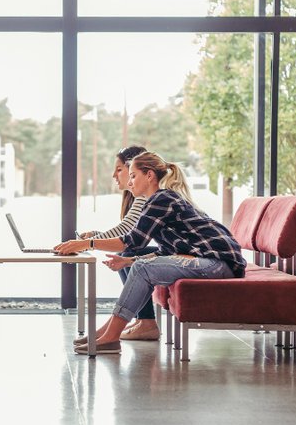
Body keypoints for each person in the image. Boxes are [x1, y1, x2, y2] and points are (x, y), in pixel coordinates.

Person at [55, 151, 246, 355]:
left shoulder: (162, 199)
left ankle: (111, 337)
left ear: (149, 175)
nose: (129, 182)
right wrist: (129, 261)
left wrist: (86, 243)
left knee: (141, 268)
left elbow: (132, 240)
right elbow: (164, 251)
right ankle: (105, 334)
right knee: (139, 265)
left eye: (133, 176)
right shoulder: (158, 200)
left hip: (218, 264)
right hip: (211, 261)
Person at [76, 145, 160, 341]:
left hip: (186, 256)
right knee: (127, 254)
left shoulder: (148, 196)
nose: (114, 175)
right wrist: (95, 237)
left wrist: (90, 242)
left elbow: (127, 234)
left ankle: (145, 322)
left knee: (128, 253)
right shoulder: (141, 196)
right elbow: (130, 232)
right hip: (178, 252)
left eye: (119, 169)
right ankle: (142, 320)